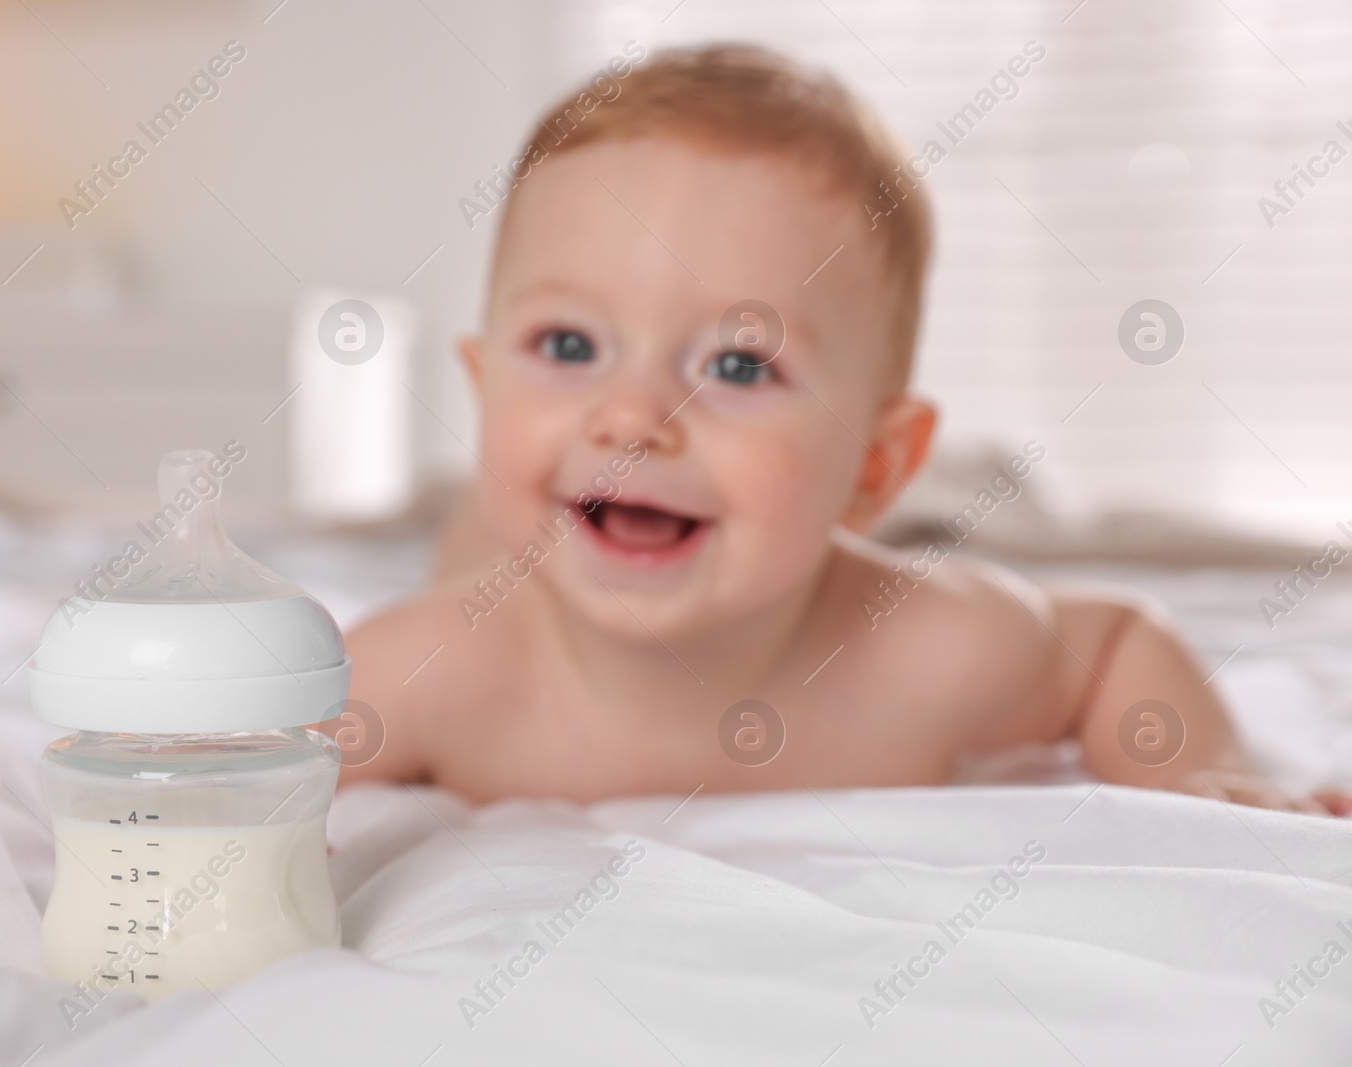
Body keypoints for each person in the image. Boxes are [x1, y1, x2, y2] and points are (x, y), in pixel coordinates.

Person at [338, 44, 1349, 814]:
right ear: (478, 387)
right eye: (567, 345)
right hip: (504, 570)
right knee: (480, 542)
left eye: (738, 364)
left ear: (875, 464)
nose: (633, 414)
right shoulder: (432, 671)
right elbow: (235, 770)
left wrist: (1200, 773)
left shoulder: (927, 653)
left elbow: (1114, 641)